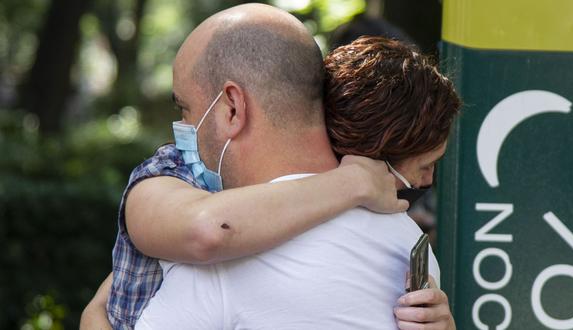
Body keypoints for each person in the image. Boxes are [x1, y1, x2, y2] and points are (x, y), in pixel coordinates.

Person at [81, 4, 457, 330]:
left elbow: (212, 231)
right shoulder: (409, 247)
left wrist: (95, 315)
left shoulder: (226, 262)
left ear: (231, 107)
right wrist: (353, 183)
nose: (182, 129)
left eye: (186, 110)